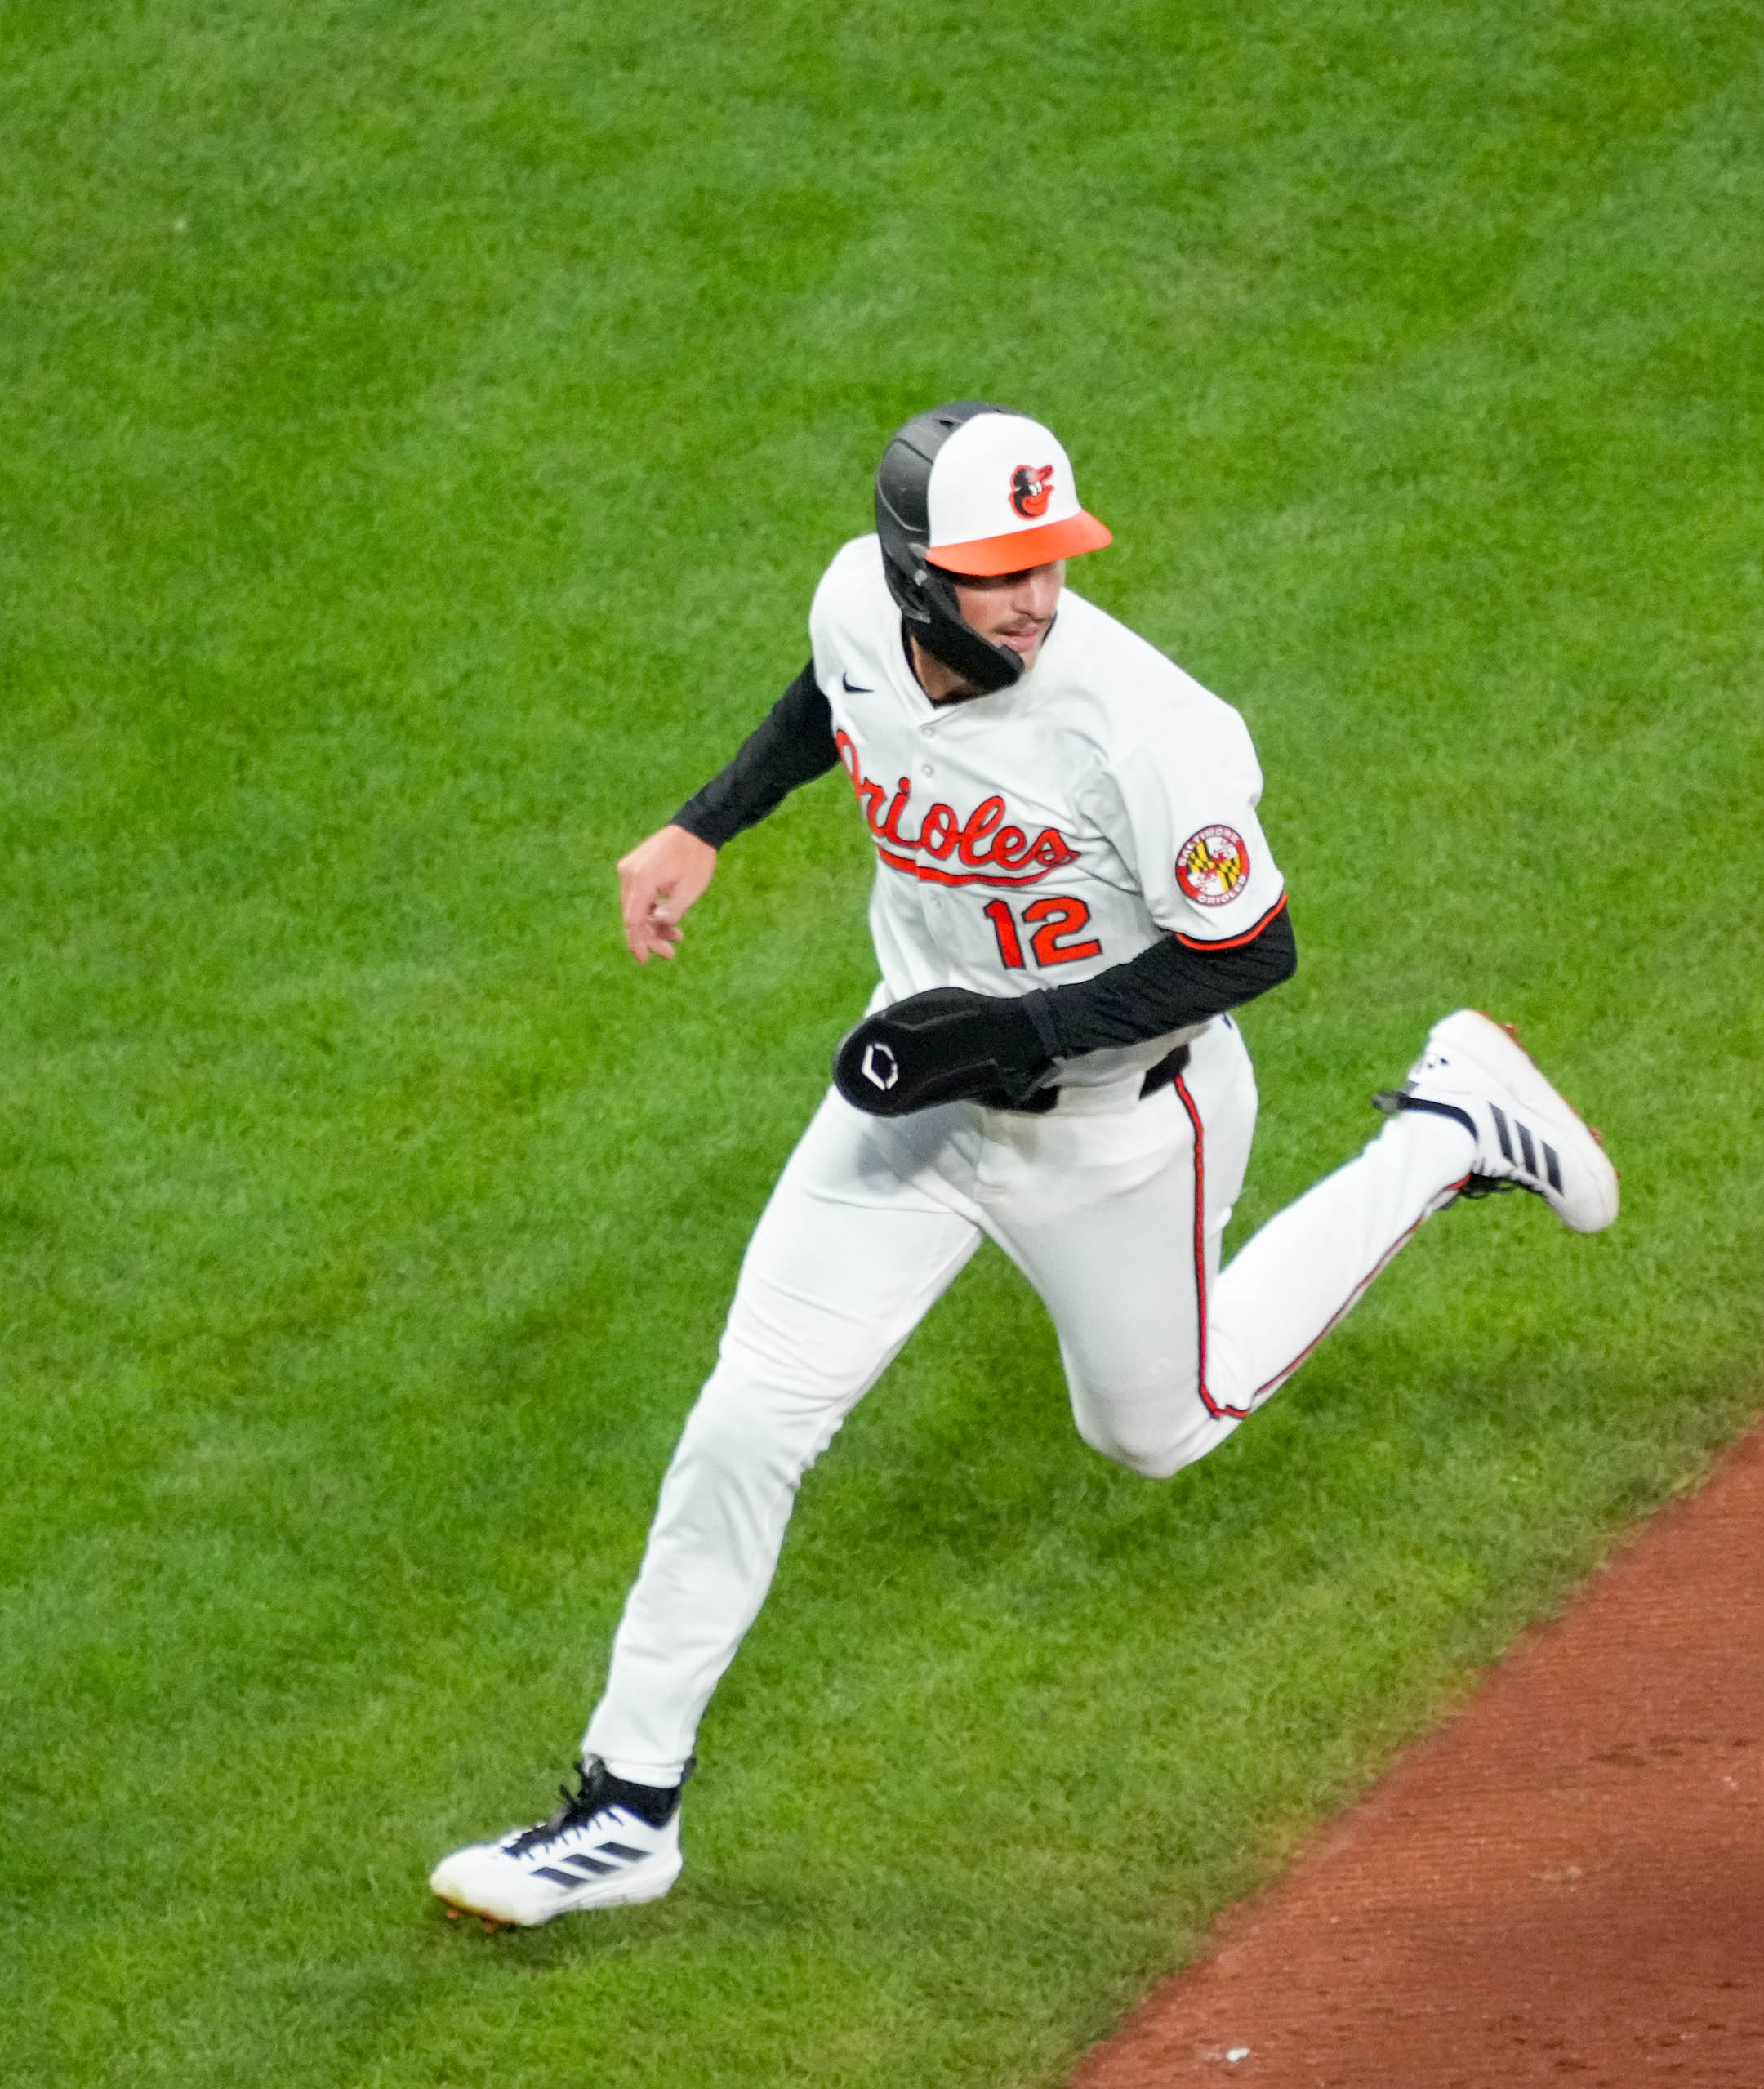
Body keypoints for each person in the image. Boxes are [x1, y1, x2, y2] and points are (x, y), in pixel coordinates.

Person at [430, 403, 1615, 1929]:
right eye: (999, 573)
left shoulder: (1143, 727)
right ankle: (626, 1808)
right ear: (913, 570)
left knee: (1158, 1432)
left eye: (1051, 561)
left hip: (1127, 1126)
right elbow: (838, 701)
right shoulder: (858, 602)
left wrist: (1013, 1037)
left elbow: (1252, 947)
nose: (1038, 597)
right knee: (750, 1415)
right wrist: (704, 823)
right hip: (918, 1099)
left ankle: (1448, 1129)